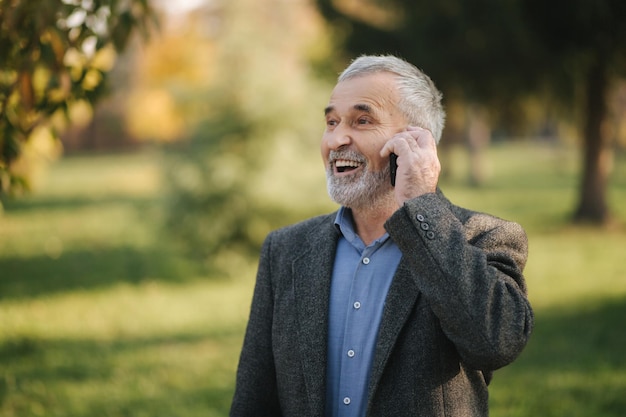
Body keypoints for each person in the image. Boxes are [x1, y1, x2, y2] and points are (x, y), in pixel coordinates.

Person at [230, 55, 533, 417]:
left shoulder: (484, 238)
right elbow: (255, 398)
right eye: (331, 122)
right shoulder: (285, 249)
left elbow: (497, 343)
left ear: (414, 141)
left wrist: (421, 204)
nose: (337, 139)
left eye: (362, 120)